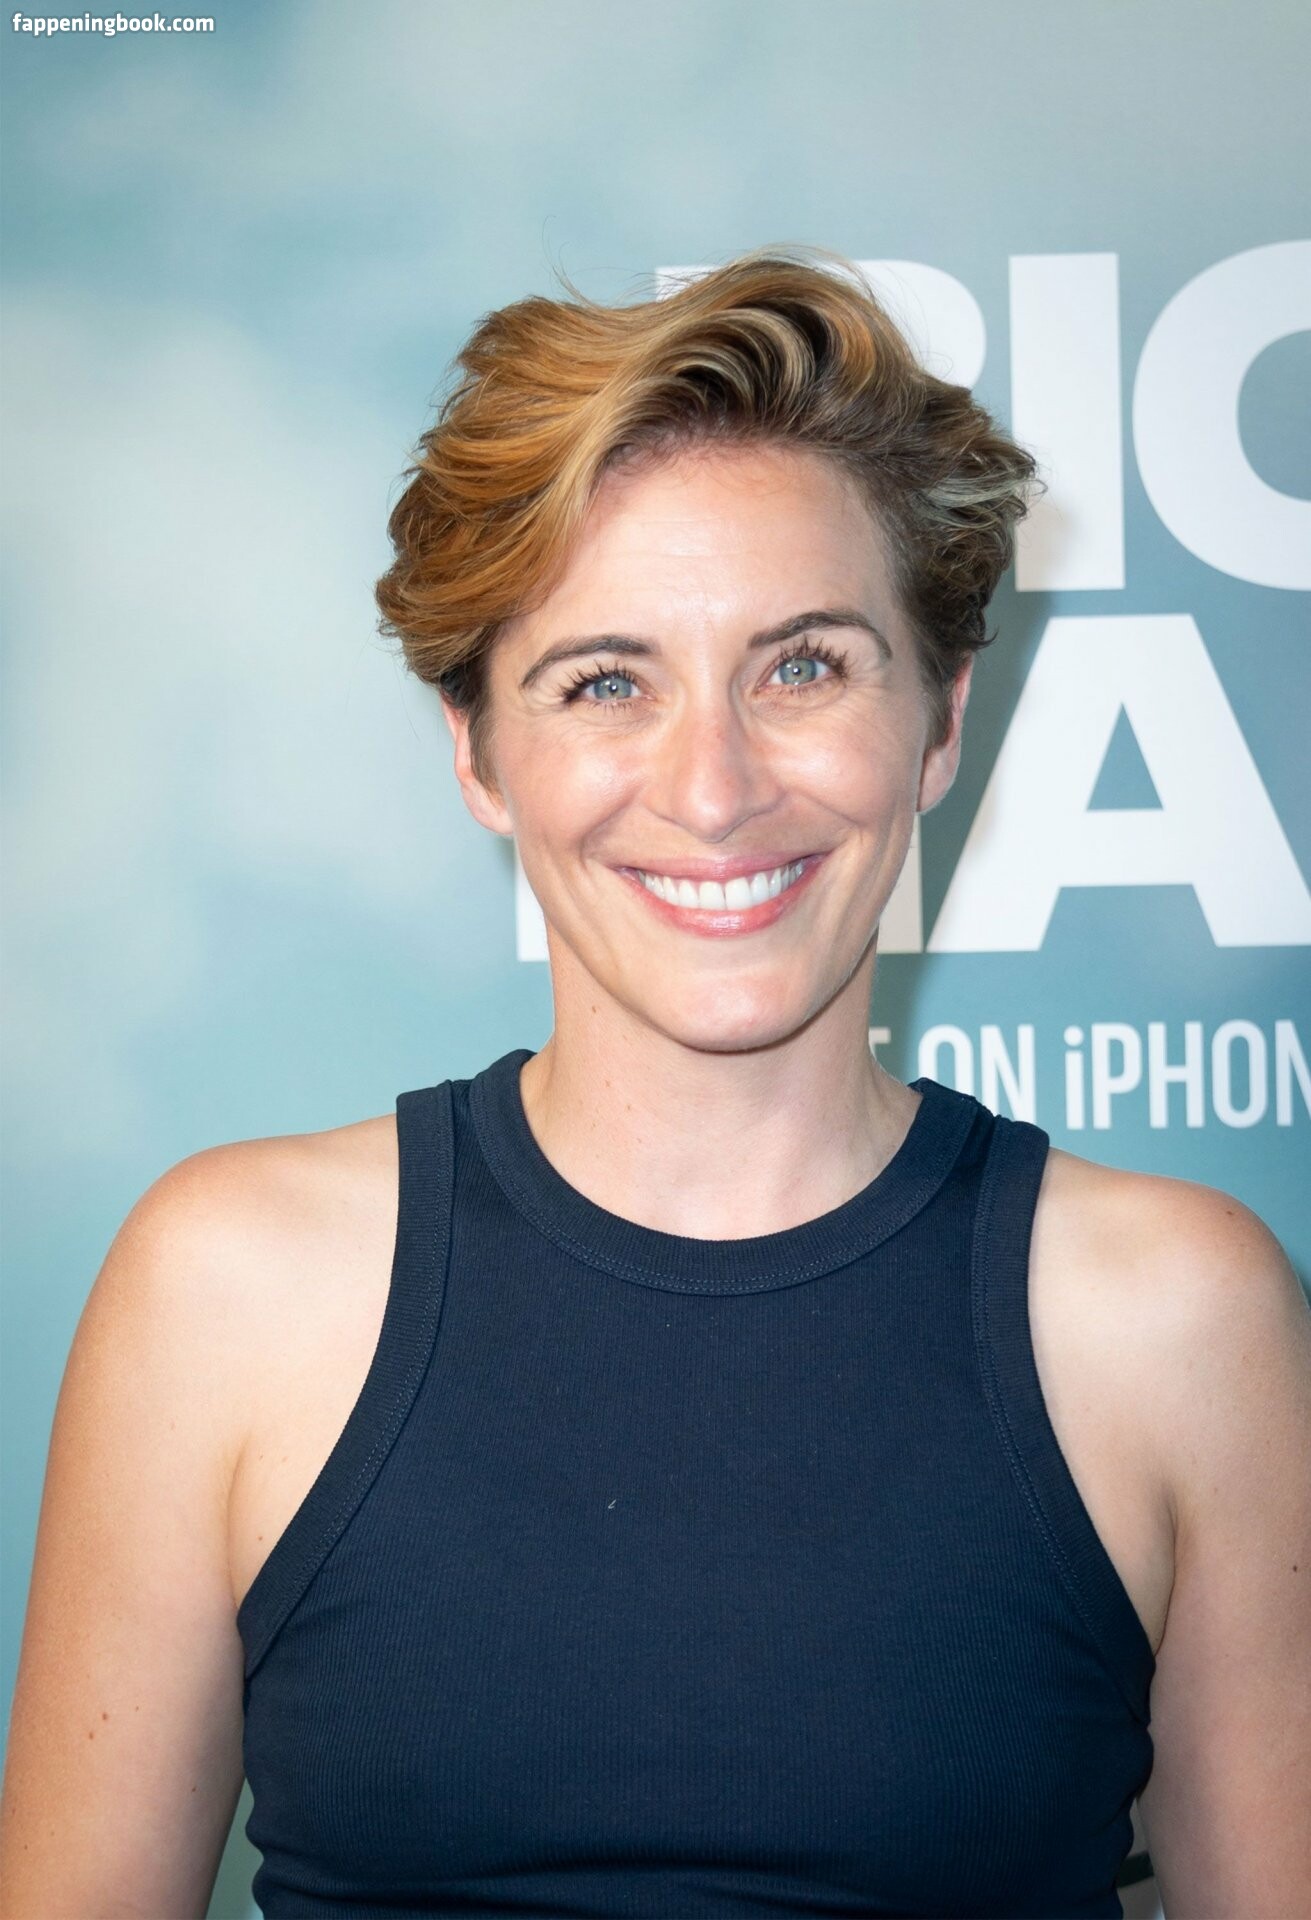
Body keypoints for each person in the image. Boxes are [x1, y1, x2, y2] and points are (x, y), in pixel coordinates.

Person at [1, 246, 1307, 1920]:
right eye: (607, 682)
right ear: (478, 752)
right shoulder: (224, 1292)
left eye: (804, 664)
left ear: (938, 722)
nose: (713, 787)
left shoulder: (1180, 1320)